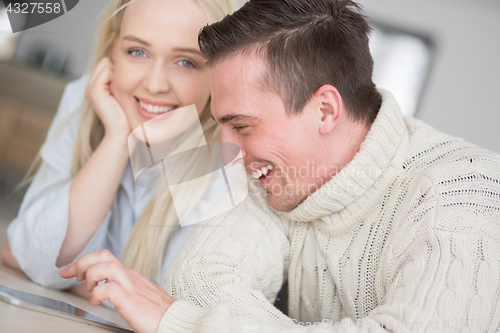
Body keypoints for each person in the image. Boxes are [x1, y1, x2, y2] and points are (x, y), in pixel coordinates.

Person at [60, 0, 500, 332]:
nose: (228, 151)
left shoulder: (463, 199)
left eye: (242, 126)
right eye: (221, 126)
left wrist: (180, 323)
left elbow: (186, 310)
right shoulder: (281, 179)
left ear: (325, 110)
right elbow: (197, 283)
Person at [1, 0, 235, 290]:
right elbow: (36, 258)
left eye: (186, 62)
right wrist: (117, 138)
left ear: (218, 73)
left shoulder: (231, 155)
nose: (155, 84)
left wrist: (82, 285)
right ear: (114, 51)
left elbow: (188, 305)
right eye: (138, 52)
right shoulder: (88, 100)